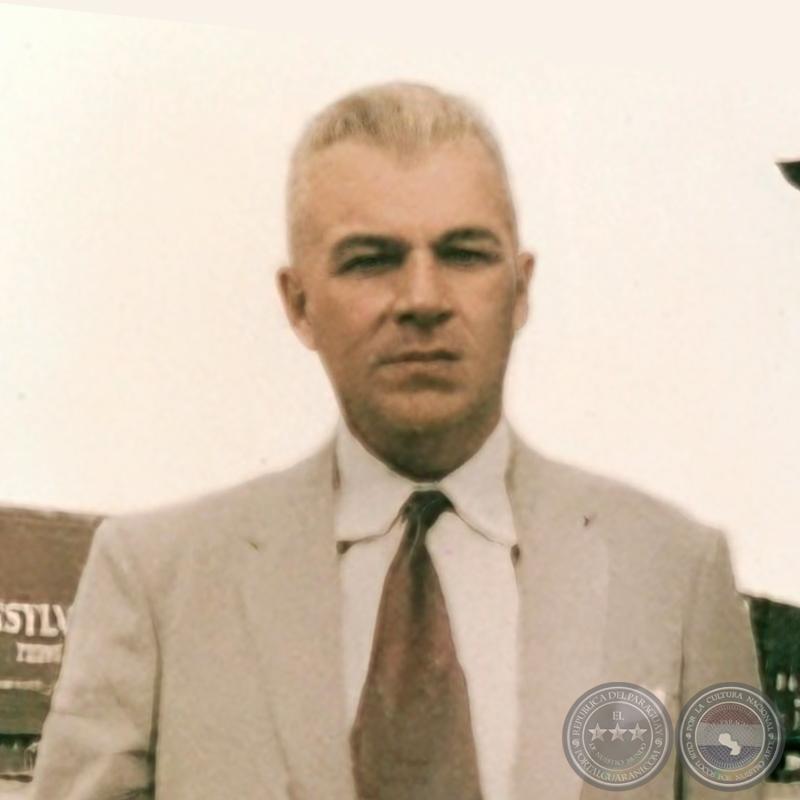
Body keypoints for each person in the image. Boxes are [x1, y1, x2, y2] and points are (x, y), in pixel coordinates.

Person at [31, 82, 762, 800]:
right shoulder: (156, 582)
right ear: (298, 304)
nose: (422, 300)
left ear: (521, 290)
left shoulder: (676, 576)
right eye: (371, 259)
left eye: (464, 254)